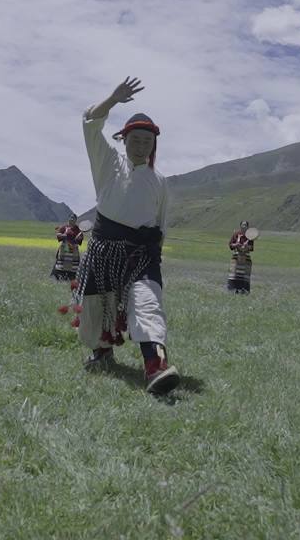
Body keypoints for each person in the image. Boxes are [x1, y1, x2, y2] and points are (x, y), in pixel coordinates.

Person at [73, 77, 179, 395]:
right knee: (99, 304)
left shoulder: (159, 182)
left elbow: (161, 225)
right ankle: (102, 352)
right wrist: (113, 100)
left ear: (153, 145)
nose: (142, 145)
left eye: (148, 141)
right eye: (137, 139)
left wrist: (153, 255)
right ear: (125, 138)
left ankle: (155, 366)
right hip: (105, 247)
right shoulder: (106, 162)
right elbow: (90, 121)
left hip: (143, 254)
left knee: (147, 303)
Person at [51, 214, 86, 281]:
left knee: (73, 265)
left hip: (74, 250)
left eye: (74, 218)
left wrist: (79, 238)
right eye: (71, 217)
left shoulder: (78, 229)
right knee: (62, 264)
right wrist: (65, 235)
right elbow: (58, 235)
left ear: (76, 220)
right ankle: (59, 278)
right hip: (64, 248)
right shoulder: (63, 227)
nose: (72, 219)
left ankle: (72, 279)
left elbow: (80, 239)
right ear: (68, 218)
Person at [227, 221, 255, 294]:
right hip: (236, 258)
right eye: (243, 225)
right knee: (234, 274)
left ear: (247, 227)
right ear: (240, 226)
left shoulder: (250, 236)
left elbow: (251, 247)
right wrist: (236, 244)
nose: (244, 226)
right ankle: (233, 289)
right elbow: (230, 245)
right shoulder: (236, 234)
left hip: (246, 259)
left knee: (244, 276)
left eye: (245, 225)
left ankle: (244, 290)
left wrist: (246, 246)